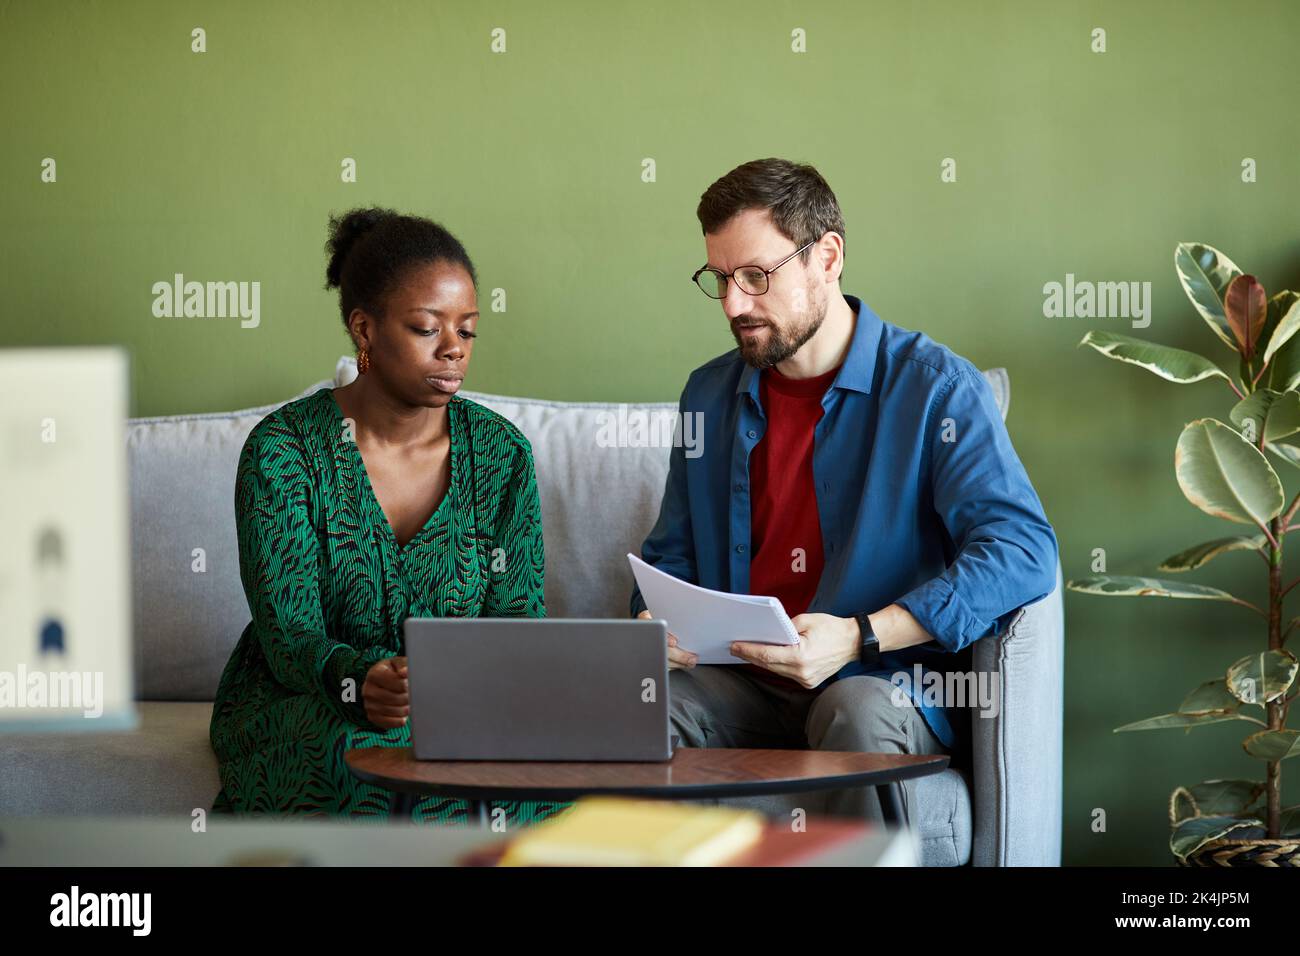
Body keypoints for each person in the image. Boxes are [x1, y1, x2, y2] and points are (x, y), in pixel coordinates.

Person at [631, 158, 1059, 824]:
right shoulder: (707, 396)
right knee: (641, 698)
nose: (734, 304)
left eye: (755, 276)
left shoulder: (936, 388)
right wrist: (650, 623)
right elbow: (670, 557)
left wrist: (861, 635)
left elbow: (1023, 550)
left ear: (826, 256)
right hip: (744, 681)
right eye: (719, 279)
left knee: (853, 710)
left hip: (878, 681)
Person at [210, 207, 563, 825]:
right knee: (372, 758)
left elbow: (516, 617)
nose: (453, 348)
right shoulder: (285, 452)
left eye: (468, 330)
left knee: (562, 768)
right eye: (427, 328)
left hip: (462, 706)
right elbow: (288, 633)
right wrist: (357, 677)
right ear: (364, 329)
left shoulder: (502, 455)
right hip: (313, 697)